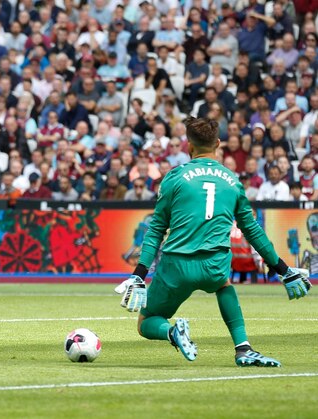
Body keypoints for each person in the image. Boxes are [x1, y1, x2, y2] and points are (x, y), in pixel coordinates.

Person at [115, 117, 311, 367]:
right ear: (218, 143)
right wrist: (283, 269)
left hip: (176, 266)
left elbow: (156, 229)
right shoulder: (232, 181)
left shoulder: (174, 177)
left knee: (146, 322)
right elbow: (252, 230)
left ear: (189, 146)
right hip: (215, 264)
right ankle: (243, 348)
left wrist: (139, 274)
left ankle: (172, 332)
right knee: (224, 286)